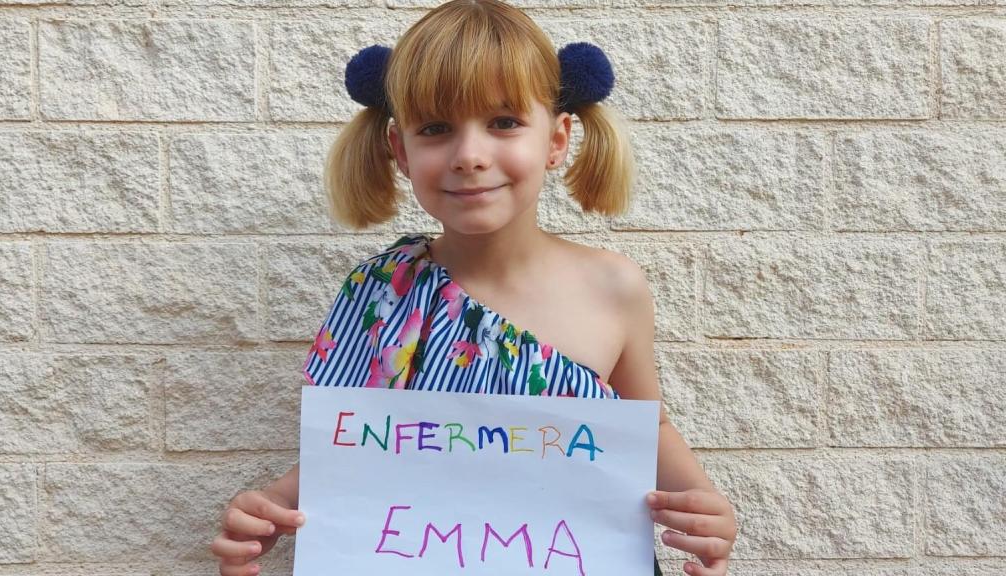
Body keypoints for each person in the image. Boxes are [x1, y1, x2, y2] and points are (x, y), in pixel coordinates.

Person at [210, 0, 737, 574]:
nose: (469, 156)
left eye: (504, 122)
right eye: (436, 129)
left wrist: (706, 508)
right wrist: (271, 509)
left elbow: (646, 425)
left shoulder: (614, 287)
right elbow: (349, 444)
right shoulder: (378, 292)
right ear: (400, 151)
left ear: (557, 139)